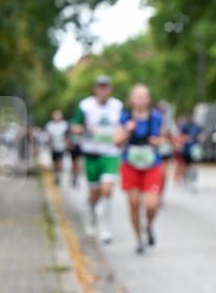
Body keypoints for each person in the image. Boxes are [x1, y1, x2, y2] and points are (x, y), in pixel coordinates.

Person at [70, 75, 124, 243]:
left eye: (106, 87)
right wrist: (86, 129)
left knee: (107, 190)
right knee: (94, 193)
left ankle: (105, 227)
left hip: (110, 153)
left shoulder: (118, 106)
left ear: (110, 89)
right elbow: (74, 126)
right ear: (95, 89)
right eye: (100, 87)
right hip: (92, 153)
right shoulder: (85, 106)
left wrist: (121, 137)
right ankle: (92, 216)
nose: (103, 90)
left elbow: (123, 127)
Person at [115, 84, 165, 254]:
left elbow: (164, 138)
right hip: (130, 164)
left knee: (152, 204)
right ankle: (139, 239)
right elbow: (117, 142)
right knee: (134, 204)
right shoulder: (124, 117)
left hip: (152, 164)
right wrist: (127, 131)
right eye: (137, 96)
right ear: (131, 99)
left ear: (148, 99)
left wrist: (158, 142)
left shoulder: (156, 117)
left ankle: (149, 225)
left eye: (144, 96)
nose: (141, 99)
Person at [45, 109, 69, 184]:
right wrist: (49, 144)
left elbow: (66, 135)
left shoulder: (64, 124)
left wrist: (67, 144)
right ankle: (56, 174)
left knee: (60, 160)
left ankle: (59, 175)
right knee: (55, 162)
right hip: (53, 146)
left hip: (62, 146)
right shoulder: (50, 125)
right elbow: (48, 135)